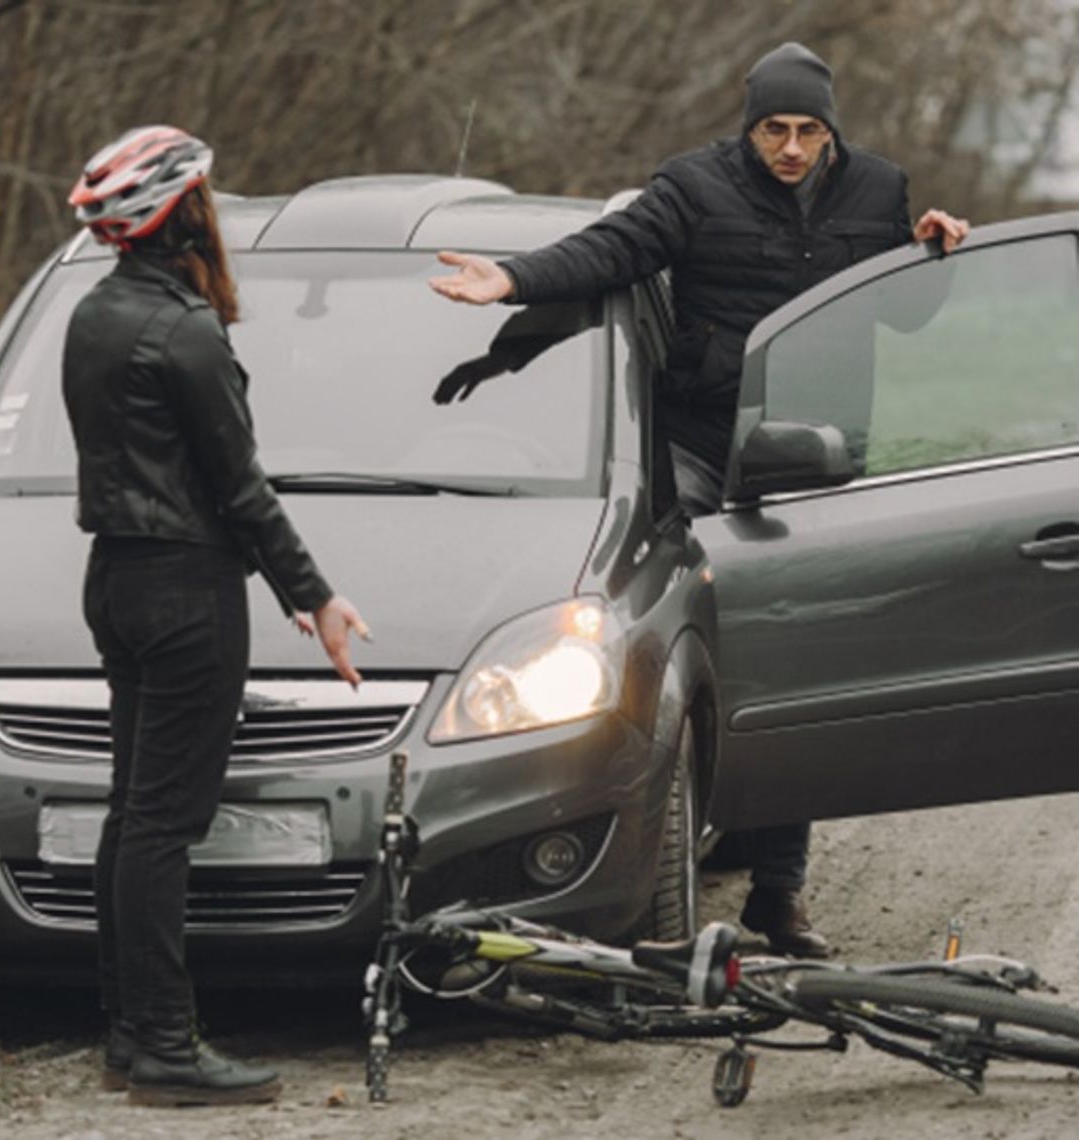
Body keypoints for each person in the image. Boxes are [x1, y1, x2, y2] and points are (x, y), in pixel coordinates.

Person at [429, 43, 969, 958]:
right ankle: (641, 829)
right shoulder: (693, 187)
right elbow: (612, 249)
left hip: (812, 456)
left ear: (831, 132)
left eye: (807, 132)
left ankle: (780, 893)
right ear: (747, 126)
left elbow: (905, 314)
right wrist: (512, 278)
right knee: (681, 627)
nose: (790, 149)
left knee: (792, 658)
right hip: (698, 448)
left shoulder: (877, 191)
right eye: (773, 130)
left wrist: (934, 252)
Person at [62, 125, 369, 1107]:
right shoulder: (186, 332)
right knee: (164, 823)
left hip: (114, 578)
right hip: (188, 593)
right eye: (207, 195)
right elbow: (240, 491)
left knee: (132, 812)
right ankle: (164, 1047)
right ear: (183, 210)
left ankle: (127, 1033)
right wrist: (316, 597)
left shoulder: (91, 315)